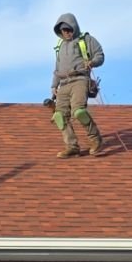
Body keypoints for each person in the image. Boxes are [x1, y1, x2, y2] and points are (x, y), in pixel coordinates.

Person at [48, 13, 104, 157]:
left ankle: (95, 139)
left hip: (79, 79)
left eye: (68, 29)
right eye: (63, 30)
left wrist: (92, 62)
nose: (66, 32)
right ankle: (72, 146)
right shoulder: (60, 46)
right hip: (63, 83)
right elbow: (57, 68)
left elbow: (99, 55)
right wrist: (54, 86)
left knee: (79, 111)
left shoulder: (85, 39)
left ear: (74, 27)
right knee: (59, 116)